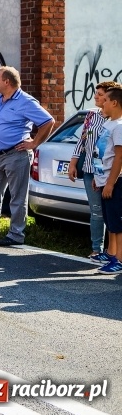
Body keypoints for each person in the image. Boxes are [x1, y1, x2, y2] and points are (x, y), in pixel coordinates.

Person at [0, 67, 54, 246]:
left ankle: (16, 234)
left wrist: (34, 143)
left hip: (16, 155)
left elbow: (48, 121)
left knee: (17, 197)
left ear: (7, 82)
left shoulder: (26, 101)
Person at [68, 81, 122, 262]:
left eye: (102, 95)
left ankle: (116, 256)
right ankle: (103, 251)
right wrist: (75, 163)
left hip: (111, 176)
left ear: (112, 100)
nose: (97, 98)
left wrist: (109, 182)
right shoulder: (94, 116)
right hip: (95, 171)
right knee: (102, 213)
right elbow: (84, 141)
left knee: (114, 216)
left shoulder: (117, 122)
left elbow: (117, 156)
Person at [91, 87, 122, 273]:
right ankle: (112, 255)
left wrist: (110, 183)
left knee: (118, 223)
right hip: (104, 179)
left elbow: (119, 158)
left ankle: (119, 260)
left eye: (106, 100)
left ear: (115, 103)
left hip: (115, 182)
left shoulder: (119, 126)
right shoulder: (109, 124)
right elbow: (103, 153)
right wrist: (98, 177)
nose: (103, 103)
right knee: (110, 221)